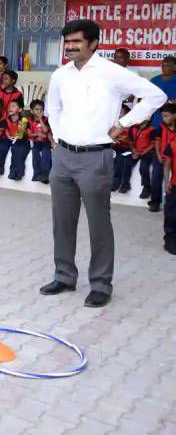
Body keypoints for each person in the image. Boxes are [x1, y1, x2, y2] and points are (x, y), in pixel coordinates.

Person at [41, 19, 167, 308]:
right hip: (62, 157)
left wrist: (123, 123)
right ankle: (64, 275)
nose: (70, 47)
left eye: (77, 42)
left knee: (99, 223)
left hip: (95, 157)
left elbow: (155, 96)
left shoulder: (113, 73)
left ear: (93, 43)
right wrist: (58, 137)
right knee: (62, 221)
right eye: (68, 42)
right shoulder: (60, 75)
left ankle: (100, 283)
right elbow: (53, 109)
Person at [4, 100, 31, 181]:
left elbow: (21, 134)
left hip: (24, 140)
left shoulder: (23, 119)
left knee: (20, 150)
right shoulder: (7, 118)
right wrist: (8, 136)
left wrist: (22, 129)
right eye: (10, 106)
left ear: (19, 109)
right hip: (13, 139)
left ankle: (19, 172)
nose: (10, 108)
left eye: (13, 106)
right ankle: (12, 171)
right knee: (14, 149)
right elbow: (5, 129)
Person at [28, 99, 52, 183]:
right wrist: (37, 134)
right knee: (35, 151)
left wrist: (40, 119)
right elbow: (29, 134)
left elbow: (45, 130)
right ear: (31, 111)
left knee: (46, 151)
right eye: (37, 109)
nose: (39, 111)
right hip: (36, 142)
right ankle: (37, 174)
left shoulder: (46, 119)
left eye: (41, 109)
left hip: (45, 142)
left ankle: (46, 175)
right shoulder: (29, 121)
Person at [150, 56, 176, 129]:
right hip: (156, 113)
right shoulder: (155, 80)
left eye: (167, 65)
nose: (163, 68)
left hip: (172, 114)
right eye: (163, 65)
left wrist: (170, 102)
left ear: (174, 67)